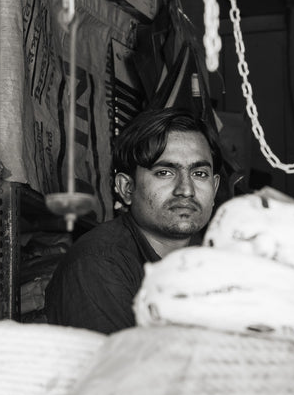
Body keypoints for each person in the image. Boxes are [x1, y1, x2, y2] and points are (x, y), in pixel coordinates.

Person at [44, 107, 221, 333]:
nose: (186, 190)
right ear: (126, 188)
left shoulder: (211, 262)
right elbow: (118, 365)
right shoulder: (98, 263)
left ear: (214, 188)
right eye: (165, 172)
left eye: (199, 174)